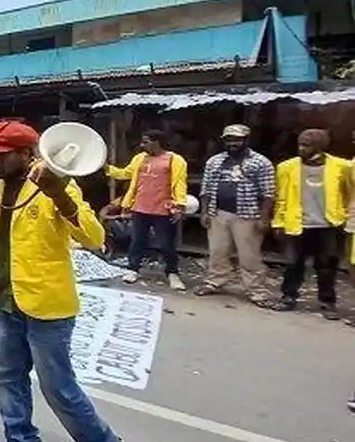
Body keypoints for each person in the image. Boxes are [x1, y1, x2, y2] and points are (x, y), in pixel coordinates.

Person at [0, 120, 138, 442]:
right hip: (4, 301)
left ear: (25, 155)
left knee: (57, 386)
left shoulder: (59, 185)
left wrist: (60, 194)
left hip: (47, 306)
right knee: (7, 377)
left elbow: (94, 237)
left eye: (0, 157)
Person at [270, 129, 349, 318]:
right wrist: (278, 223)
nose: (301, 148)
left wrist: (343, 217)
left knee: (326, 266)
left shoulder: (342, 166)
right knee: (293, 264)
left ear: (321, 146)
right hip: (297, 224)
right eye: (300, 144)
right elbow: (281, 198)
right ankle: (288, 297)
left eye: (306, 145)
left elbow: (348, 194)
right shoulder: (286, 167)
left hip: (328, 225)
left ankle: (327, 302)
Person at [195, 124, 277, 306]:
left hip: (247, 215)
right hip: (218, 213)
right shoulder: (215, 161)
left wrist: (264, 217)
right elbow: (206, 189)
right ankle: (215, 281)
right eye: (229, 139)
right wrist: (204, 212)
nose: (233, 143)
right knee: (217, 252)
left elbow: (268, 193)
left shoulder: (260, 162)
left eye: (237, 139)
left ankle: (256, 291)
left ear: (247, 140)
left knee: (249, 255)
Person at [105, 129, 188, 290]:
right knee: (137, 241)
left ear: (156, 142)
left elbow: (180, 184)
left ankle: (172, 273)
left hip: (163, 209)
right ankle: (133, 268)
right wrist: (106, 168)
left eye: (146, 142)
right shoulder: (139, 159)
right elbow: (125, 174)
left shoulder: (175, 160)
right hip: (140, 208)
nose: (142, 145)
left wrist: (179, 206)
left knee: (166, 244)